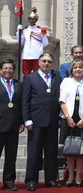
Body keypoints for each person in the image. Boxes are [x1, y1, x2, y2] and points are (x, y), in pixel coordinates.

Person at [23, 53, 62, 191]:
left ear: (52, 63)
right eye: (44, 61)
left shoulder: (58, 77)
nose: (46, 63)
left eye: (49, 61)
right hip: (36, 121)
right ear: (39, 62)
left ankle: (51, 179)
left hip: (52, 121)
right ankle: (31, 180)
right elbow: (25, 101)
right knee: (34, 152)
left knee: (51, 152)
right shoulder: (30, 78)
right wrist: (27, 120)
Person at [59, 59, 83, 187]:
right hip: (68, 118)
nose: (77, 69)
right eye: (75, 68)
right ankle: (71, 175)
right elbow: (62, 100)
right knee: (69, 148)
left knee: (80, 149)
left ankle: (78, 174)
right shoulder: (66, 81)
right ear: (71, 70)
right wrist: (68, 117)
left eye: (80, 67)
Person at [0, 59, 23, 191]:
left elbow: (21, 104)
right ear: (1, 70)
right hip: (0, 123)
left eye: (10, 69)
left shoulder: (18, 84)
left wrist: (21, 121)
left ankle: (9, 181)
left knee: (11, 156)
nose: (8, 71)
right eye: (5, 68)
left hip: (13, 126)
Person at [16, 7, 49, 76]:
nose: (32, 20)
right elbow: (20, 42)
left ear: (36, 20)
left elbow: (45, 42)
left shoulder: (40, 30)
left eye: (33, 18)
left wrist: (38, 48)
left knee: (37, 74)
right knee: (26, 74)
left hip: (37, 55)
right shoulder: (25, 30)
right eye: (31, 18)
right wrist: (18, 32)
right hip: (26, 55)